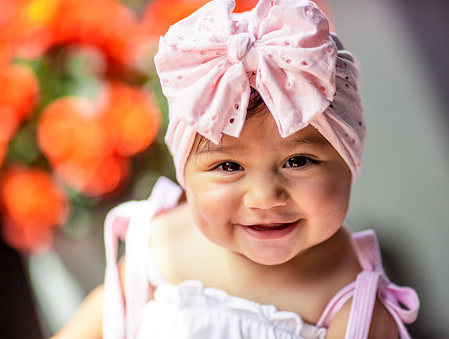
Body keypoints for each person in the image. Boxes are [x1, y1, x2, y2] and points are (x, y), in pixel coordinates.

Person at [52, 0, 419, 338]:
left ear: (348, 159)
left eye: (298, 161)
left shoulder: (351, 302)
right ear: (187, 175)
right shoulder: (161, 243)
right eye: (228, 165)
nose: (264, 197)